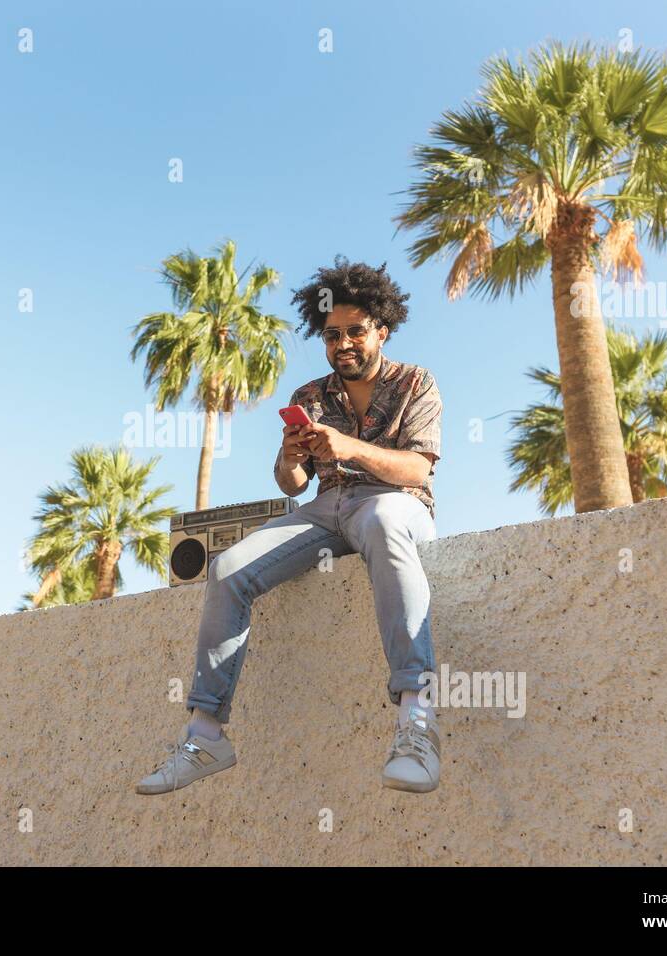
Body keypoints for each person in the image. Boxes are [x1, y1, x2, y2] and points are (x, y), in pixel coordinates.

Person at [136, 257, 444, 795]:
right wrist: (290, 456)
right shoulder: (310, 396)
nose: (343, 343)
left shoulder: (417, 382)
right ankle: (206, 733)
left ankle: (416, 722)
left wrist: (350, 448)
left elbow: (417, 468)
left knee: (384, 521)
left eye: (355, 331)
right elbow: (292, 487)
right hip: (327, 509)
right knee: (230, 567)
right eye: (331, 335)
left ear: (382, 329)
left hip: (395, 501)